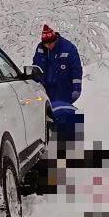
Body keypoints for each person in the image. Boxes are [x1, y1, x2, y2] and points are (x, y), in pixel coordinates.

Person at [33, 23, 83, 151]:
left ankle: (71, 145)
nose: (48, 46)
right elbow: (36, 67)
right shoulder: (40, 49)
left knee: (65, 113)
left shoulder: (68, 48)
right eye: (46, 44)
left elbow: (76, 69)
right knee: (50, 117)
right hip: (46, 89)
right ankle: (53, 145)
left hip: (64, 88)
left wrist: (76, 87)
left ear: (55, 39)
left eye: (50, 44)